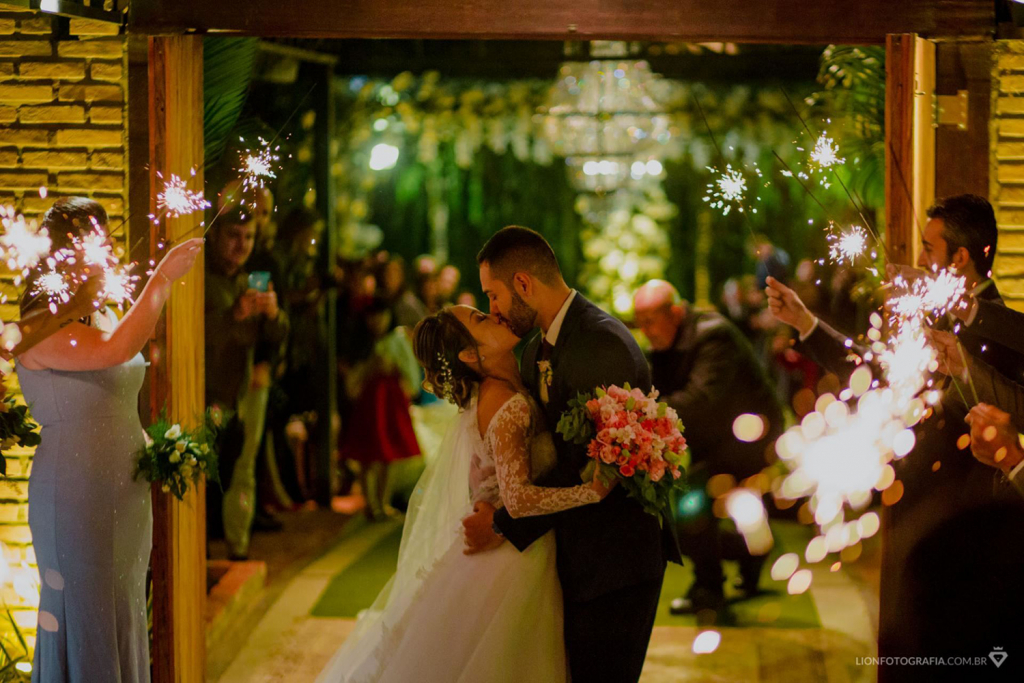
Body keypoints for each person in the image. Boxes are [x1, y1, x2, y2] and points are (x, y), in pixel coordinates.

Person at [764, 194, 1024, 672]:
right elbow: (876, 377)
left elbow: (1002, 414)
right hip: (910, 508)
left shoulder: (999, 335)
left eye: (929, 248)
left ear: (960, 257)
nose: (922, 260)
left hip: (956, 525)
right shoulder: (932, 318)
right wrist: (805, 322)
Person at [315, 305, 615, 682]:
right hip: (510, 561)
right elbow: (519, 498)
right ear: (470, 355)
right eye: (480, 319)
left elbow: (482, 472)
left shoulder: (507, 386)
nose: (494, 315)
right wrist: (590, 492)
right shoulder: (504, 403)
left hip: (518, 547)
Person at [462, 226, 680, 683]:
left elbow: (588, 467)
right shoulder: (532, 354)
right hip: (574, 557)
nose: (492, 310)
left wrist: (502, 522)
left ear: (523, 283)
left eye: (494, 296)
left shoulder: (600, 342)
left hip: (615, 562)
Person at [16, 197, 202, 682]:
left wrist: (154, 446)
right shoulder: (39, 328)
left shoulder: (101, 315)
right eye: (92, 242)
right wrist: (161, 278)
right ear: (61, 254)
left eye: (106, 239)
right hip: (76, 497)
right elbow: (119, 349)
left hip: (124, 493)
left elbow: (112, 392)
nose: (105, 251)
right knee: (87, 610)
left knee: (123, 606)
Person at [633, 280, 783, 621]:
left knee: (692, 504)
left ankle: (708, 589)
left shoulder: (714, 336)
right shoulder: (667, 342)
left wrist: (640, 414)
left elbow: (700, 402)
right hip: (719, 434)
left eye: (650, 320)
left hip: (753, 435)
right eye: (638, 322)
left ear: (675, 312)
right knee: (695, 509)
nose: (645, 331)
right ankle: (749, 552)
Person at [205, 203, 288, 558]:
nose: (242, 245)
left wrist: (272, 313)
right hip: (205, 395)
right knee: (203, 474)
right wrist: (232, 315)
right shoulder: (199, 280)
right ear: (215, 236)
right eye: (234, 236)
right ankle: (201, 552)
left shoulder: (247, 279)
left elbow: (280, 334)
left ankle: (238, 548)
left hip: (241, 394)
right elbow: (191, 336)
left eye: (249, 237)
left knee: (242, 469)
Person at [339, 298, 422, 520]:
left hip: (390, 400)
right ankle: (371, 503)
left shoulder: (397, 339)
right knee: (368, 455)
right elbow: (354, 377)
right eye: (373, 316)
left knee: (388, 454)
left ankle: (382, 502)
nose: (377, 321)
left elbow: (409, 369)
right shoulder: (363, 343)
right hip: (369, 402)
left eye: (381, 315)